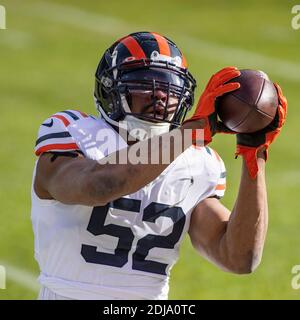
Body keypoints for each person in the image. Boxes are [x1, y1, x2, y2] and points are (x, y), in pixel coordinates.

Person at [31, 31, 287, 300]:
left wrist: (254, 155)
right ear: (110, 89)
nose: (160, 96)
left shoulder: (197, 162)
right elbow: (99, 185)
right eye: (145, 84)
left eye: (169, 86)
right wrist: (189, 134)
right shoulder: (74, 132)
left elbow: (239, 258)